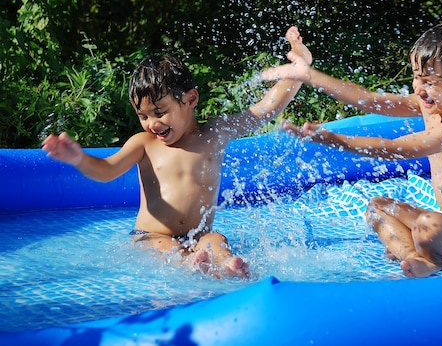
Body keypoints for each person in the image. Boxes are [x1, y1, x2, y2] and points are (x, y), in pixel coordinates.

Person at [42, 26, 312, 279]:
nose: (152, 124)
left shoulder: (214, 135)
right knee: (165, 247)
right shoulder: (144, 144)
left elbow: (264, 111)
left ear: (191, 99)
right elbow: (106, 171)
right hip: (151, 235)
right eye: (143, 116)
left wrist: (299, 71)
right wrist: (78, 158)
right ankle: (192, 264)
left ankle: (228, 265)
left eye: (159, 112)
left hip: (198, 236)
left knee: (216, 241)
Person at [261, 19, 442, 277]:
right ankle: (415, 258)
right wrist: (309, 75)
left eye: (430, 81)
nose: (420, 89)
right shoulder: (434, 104)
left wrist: (334, 139)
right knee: (378, 208)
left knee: (427, 226)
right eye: (417, 78)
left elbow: (396, 148)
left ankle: (430, 258)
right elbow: (372, 101)